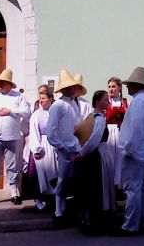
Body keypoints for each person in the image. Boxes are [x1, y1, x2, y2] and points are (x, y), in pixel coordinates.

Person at [115, 67, 144, 236]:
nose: (127, 88)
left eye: (129, 85)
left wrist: (128, 149)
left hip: (135, 152)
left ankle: (130, 225)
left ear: (135, 85)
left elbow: (136, 128)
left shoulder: (139, 101)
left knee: (132, 189)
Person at [0, 69, 31, 207]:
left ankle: (14, 193)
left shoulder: (18, 97)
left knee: (12, 165)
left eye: (3, 82)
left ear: (9, 84)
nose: (0, 84)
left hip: (12, 136)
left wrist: (10, 111)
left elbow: (27, 112)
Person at [74, 90, 114, 234]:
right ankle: (95, 219)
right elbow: (94, 139)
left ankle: (91, 218)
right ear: (97, 101)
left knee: (92, 186)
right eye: (105, 99)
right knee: (96, 186)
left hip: (94, 153)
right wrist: (82, 152)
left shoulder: (92, 116)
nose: (107, 102)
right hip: (97, 154)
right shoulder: (99, 119)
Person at [47, 69, 83, 226]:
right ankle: (58, 211)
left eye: (74, 86)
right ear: (64, 89)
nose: (73, 89)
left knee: (73, 180)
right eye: (70, 87)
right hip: (65, 149)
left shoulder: (73, 104)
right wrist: (61, 146)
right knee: (63, 180)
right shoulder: (58, 105)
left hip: (75, 147)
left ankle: (69, 209)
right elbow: (51, 132)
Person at [24, 89, 58, 212]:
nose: (41, 101)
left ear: (50, 99)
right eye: (40, 98)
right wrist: (36, 149)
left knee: (54, 172)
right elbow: (34, 132)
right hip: (41, 144)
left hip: (53, 145)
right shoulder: (36, 115)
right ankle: (39, 199)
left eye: (43, 98)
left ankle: (52, 199)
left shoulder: (55, 113)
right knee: (39, 173)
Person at [105, 76, 128, 189]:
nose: (111, 89)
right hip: (109, 132)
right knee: (109, 158)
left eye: (113, 87)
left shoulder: (125, 102)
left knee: (120, 158)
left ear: (119, 88)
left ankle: (119, 184)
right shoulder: (106, 102)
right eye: (109, 87)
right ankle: (109, 183)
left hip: (120, 132)